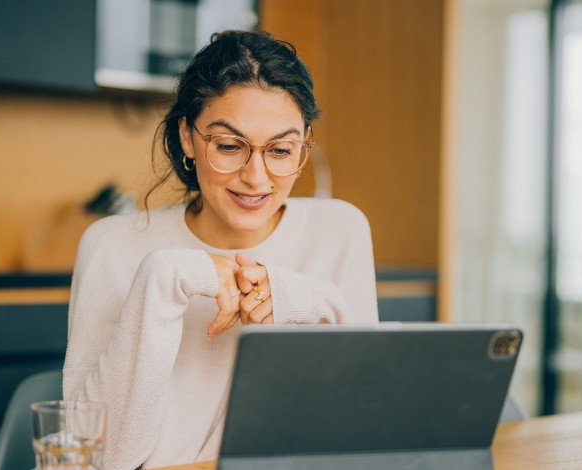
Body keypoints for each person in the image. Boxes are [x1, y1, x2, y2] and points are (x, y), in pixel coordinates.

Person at [62, 30, 378, 470]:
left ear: (304, 143)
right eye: (229, 146)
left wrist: (312, 300)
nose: (256, 176)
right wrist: (167, 277)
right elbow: (93, 460)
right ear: (188, 138)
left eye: (281, 150)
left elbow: (368, 427)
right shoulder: (113, 246)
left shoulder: (340, 229)